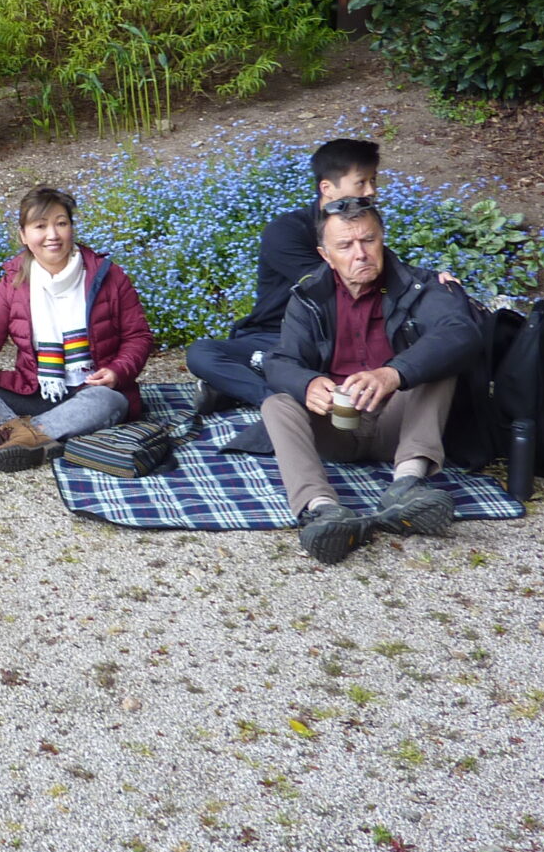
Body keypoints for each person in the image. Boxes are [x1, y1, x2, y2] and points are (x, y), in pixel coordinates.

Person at [262, 196, 481, 565]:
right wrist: (307, 384)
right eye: (345, 246)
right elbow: (280, 361)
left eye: (368, 240)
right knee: (277, 403)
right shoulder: (309, 296)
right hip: (337, 425)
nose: (360, 254)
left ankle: (407, 485)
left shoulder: (420, 286)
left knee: (437, 367)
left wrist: (394, 373)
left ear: (382, 239)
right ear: (325, 254)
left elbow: (461, 334)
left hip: (400, 424)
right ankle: (322, 510)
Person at [0, 187, 154, 472]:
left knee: (109, 401)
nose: (52, 235)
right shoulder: (14, 282)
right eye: (40, 226)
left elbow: (138, 336)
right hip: (35, 391)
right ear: (24, 235)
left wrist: (118, 371)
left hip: (89, 391)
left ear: (71, 227)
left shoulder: (108, 276)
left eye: (61, 223)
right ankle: (30, 434)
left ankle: (23, 434)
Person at [185, 138, 379, 413]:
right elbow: (330, 285)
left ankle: (236, 389)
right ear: (327, 188)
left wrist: (431, 281)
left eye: (373, 181)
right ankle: (275, 400)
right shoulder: (286, 231)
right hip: (274, 336)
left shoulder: (364, 230)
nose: (371, 191)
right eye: (361, 182)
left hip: (331, 339)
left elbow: (384, 281)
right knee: (202, 353)